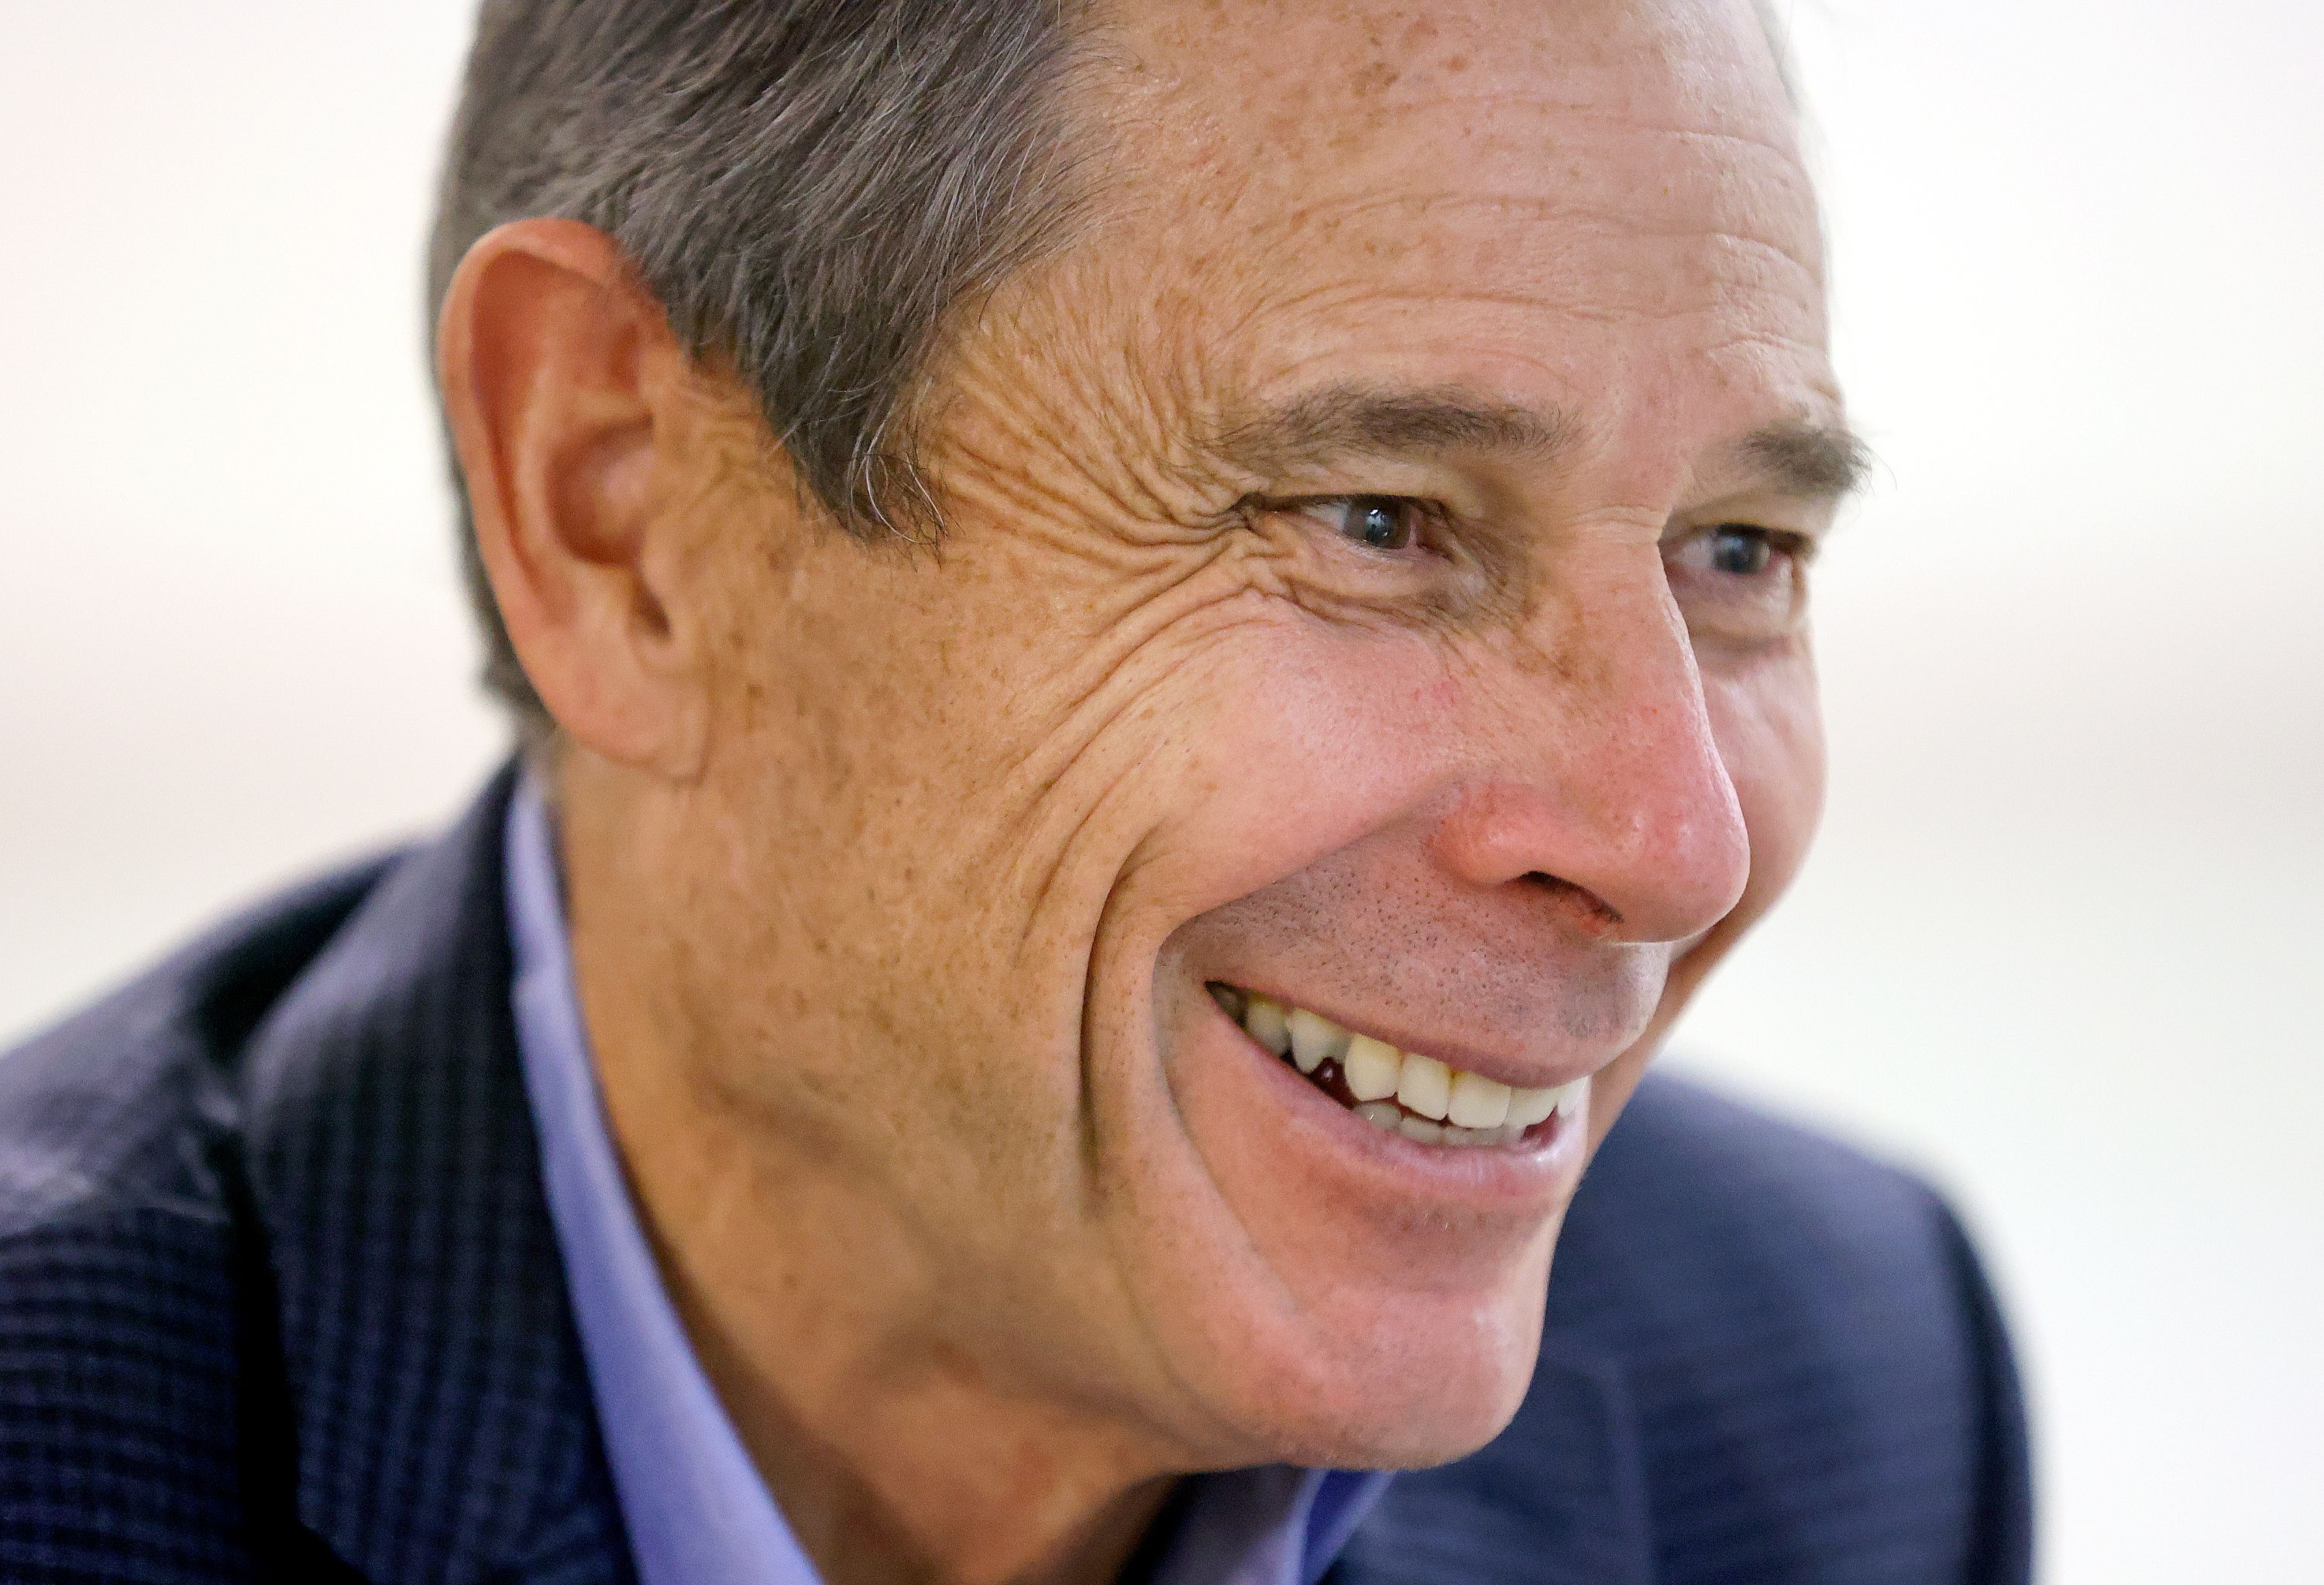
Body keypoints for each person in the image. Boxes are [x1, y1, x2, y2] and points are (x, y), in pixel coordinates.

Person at [0, 1, 2032, 1580]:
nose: (1671, 845)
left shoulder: (1836, 1396)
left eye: (1744, 552)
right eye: (1380, 517)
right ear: (618, 514)